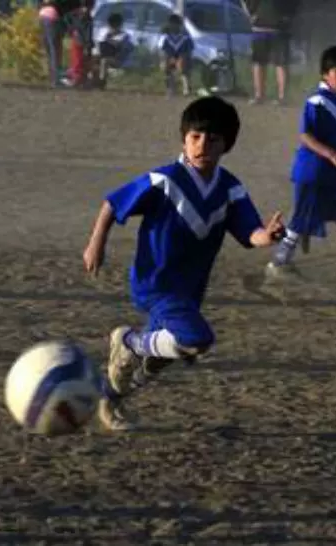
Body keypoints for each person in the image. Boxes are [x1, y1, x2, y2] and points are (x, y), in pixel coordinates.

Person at [82, 97, 286, 431]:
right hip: (155, 285)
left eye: (213, 139)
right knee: (197, 339)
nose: (202, 145)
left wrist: (269, 235)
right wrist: (96, 243)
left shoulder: (230, 189)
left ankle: (111, 398)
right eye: (195, 136)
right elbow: (112, 203)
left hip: (189, 292)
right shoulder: (165, 180)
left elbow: (250, 234)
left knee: (158, 362)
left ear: (227, 145)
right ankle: (128, 341)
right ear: (184, 138)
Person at [267, 45, 336, 273]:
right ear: (324, 74)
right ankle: (279, 261)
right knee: (303, 212)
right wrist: (332, 154)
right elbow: (305, 135)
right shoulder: (317, 101)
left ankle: (306, 228)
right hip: (312, 169)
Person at [246, 0, 295, 105]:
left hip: (276, 27)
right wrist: (251, 13)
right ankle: (261, 96)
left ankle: (278, 97)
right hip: (262, 26)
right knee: (261, 62)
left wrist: (288, 15)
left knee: (278, 63)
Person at [93, 12, 134, 88]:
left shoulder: (124, 35)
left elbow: (120, 46)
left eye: (114, 26)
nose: (112, 28)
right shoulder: (104, 33)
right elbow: (99, 44)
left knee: (104, 61)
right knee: (93, 58)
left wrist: (108, 39)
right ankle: (91, 80)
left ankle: (102, 83)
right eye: (111, 26)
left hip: (118, 59)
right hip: (104, 55)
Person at [159, 14, 194, 97]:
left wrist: (181, 59)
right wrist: (166, 60)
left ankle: (186, 88)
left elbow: (189, 51)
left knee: (182, 64)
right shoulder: (165, 37)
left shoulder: (185, 37)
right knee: (166, 65)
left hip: (183, 58)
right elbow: (162, 51)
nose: (173, 26)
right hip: (170, 58)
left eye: (176, 23)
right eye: (172, 23)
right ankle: (171, 89)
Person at [38, 0, 63, 88]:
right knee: (55, 50)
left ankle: (52, 77)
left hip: (42, 15)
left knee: (48, 48)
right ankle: (55, 79)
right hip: (52, 15)